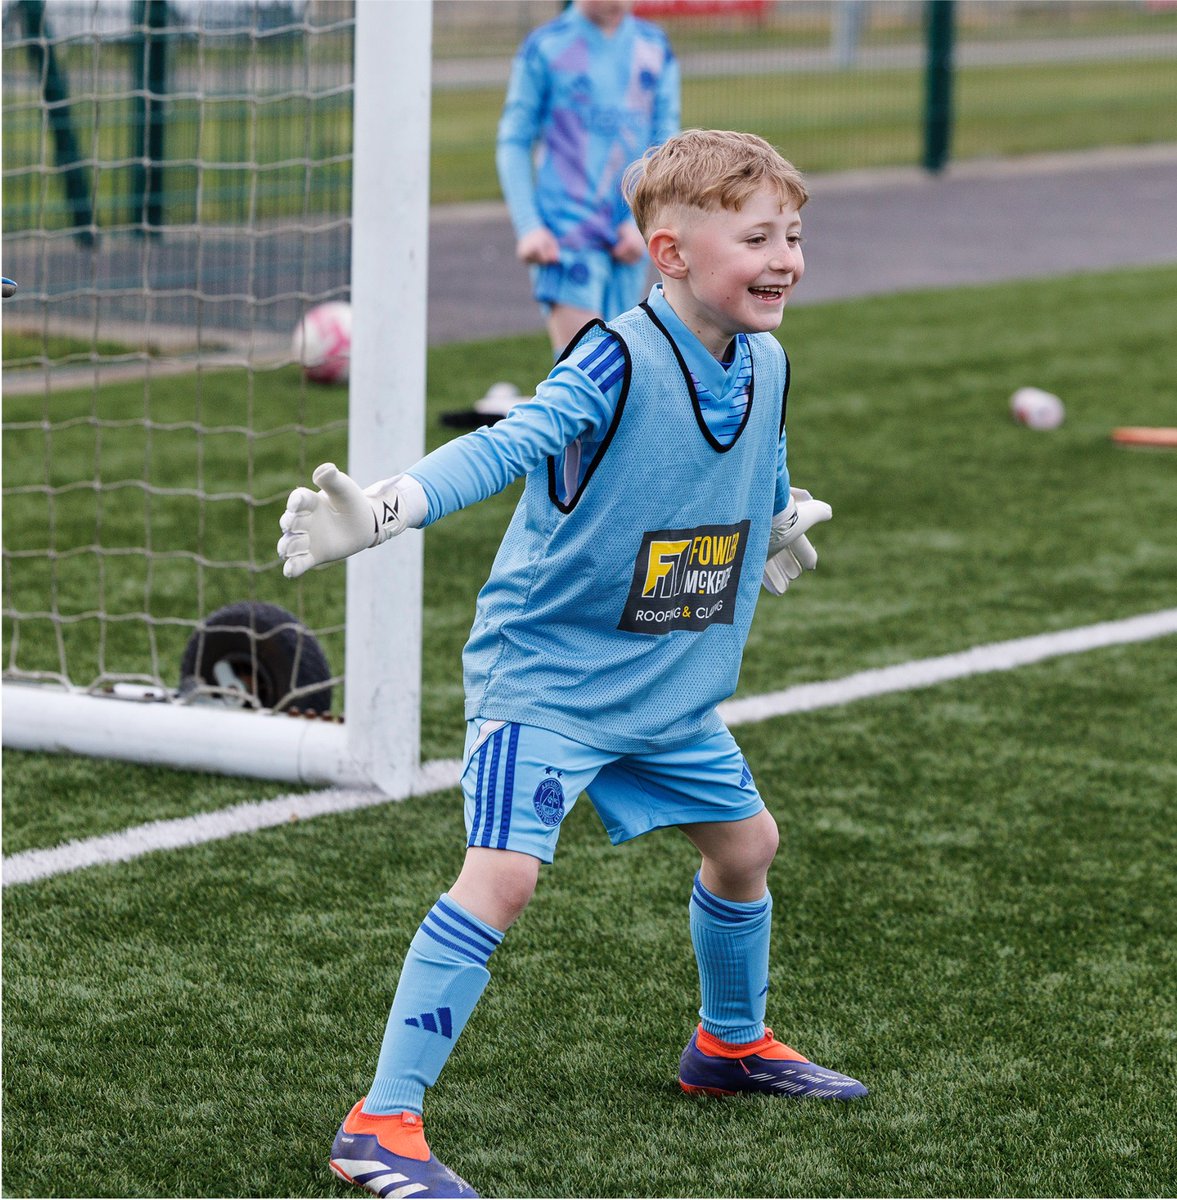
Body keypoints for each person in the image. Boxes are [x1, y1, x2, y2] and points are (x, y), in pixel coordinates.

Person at [278, 129, 867, 1200]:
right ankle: (379, 1123)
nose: (784, 258)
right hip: (550, 678)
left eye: (793, 234)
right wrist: (388, 509)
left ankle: (727, 1046)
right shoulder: (610, 354)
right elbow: (507, 445)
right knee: (502, 877)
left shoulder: (767, 358)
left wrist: (776, 516)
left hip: (664, 685)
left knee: (747, 846)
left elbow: (760, 445)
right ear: (671, 252)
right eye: (757, 237)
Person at [496, 0, 681, 359]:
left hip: (630, 235)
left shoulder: (655, 47)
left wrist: (642, 223)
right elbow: (514, 141)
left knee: (626, 372)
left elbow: (666, 144)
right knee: (587, 370)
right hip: (566, 236)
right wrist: (529, 226)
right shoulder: (546, 47)